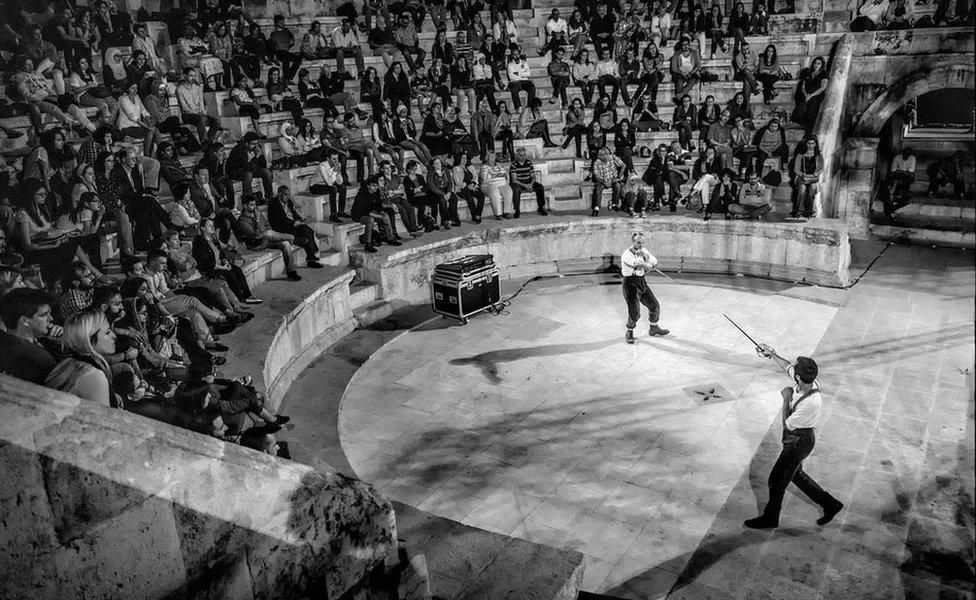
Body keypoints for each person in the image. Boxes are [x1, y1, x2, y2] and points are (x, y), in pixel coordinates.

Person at [745, 347, 844, 529]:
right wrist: (772, 354)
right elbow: (787, 366)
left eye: (795, 371)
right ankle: (831, 504)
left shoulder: (811, 402)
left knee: (776, 480)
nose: (793, 370)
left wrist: (785, 399)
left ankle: (770, 518)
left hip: (799, 441)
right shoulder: (806, 381)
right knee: (795, 475)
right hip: (798, 438)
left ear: (799, 378)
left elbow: (787, 424)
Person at [46, 308, 118, 407]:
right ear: (89, 340)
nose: (114, 336)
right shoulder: (94, 376)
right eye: (107, 332)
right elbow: (103, 420)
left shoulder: (69, 362)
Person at [0, 288, 58, 385]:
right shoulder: (41, 360)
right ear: (24, 320)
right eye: (44, 315)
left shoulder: (5, 340)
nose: (51, 319)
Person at [620, 232, 669, 345]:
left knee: (654, 305)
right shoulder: (626, 254)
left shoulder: (644, 251)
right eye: (638, 242)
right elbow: (635, 263)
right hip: (630, 284)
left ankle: (653, 327)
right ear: (633, 242)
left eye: (642, 242)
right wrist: (645, 261)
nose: (641, 245)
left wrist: (647, 257)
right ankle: (629, 332)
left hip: (641, 282)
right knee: (634, 312)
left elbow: (654, 261)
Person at [268, 186, 325, 269]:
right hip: (281, 227)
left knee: (308, 231)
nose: (287, 197)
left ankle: (311, 258)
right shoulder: (273, 203)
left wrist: (300, 220)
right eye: (285, 195)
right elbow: (282, 218)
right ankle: (311, 257)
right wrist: (295, 223)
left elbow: (293, 213)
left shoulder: (289, 202)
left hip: (292, 225)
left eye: (288, 195)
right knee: (305, 233)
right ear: (279, 194)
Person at [351, 176, 394, 253]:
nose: (375, 188)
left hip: (371, 212)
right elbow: (366, 212)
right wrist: (380, 216)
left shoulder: (376, 191)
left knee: (385, 216)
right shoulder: (362, 194)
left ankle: (390, 238)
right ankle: (368, 243)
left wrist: (381, 212)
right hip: (359, 215)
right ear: (368, 186)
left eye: (376, 186)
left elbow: (379, 205)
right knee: (370, 220)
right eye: (373, 186)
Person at [227, 132, 274, 200]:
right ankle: (248, 200)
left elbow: (263, 165)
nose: (255, 146)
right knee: (248, 175)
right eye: (253, 144)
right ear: (246, 143)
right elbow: (246, 168)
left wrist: (260, 156)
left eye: (257, 143)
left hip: (249, 168)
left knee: (266, 171)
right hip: (236, 171)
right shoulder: (239, 150)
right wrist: (256, 157)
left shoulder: (257, 148)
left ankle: (269, 198)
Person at [509, 148, 548, 218]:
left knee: (540, 187)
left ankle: (541, 207)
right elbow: (514, 180)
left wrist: (531, 184)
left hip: (528, 182)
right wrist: (525, 186)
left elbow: (533, 176)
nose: (523, 157)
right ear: (517, 156)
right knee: (516, 189)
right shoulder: (513, 165)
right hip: (518, 183)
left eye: (524, 155)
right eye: (521, 155)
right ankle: (517, 210)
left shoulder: (529, 163)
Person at [791, 136, 823, 219]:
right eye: (809, 143)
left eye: (813, 143)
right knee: (802, 188)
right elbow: (796, 169)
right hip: (801, 177)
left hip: (813, 178)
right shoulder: (800, 155)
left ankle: (809, 211)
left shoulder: (819, 155)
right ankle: (799, 211)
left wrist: (817, 173)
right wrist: (802, 175)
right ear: (806, 144)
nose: (810, 145)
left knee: (812, 188)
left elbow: (821, 168)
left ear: (816, 144)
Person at [591, 146, 625, 216]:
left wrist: (619, 176)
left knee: (618, 186)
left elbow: (623, 165)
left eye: (605, 154)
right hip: (602, 180)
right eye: (602, 155)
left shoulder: (612, 157)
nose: (604, 157)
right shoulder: (596, 163)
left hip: (613, 179)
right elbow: (597, 177)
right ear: (598, 156)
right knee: (597, 187)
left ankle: (614, 204)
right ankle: (596, 207)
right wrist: (604, 182)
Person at [480, 151, 513, 219]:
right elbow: (485, 178)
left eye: (493, 157)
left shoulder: (499, 165)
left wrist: (504, 175)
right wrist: (496, 175)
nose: (492, 159)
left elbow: (506, 174)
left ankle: (506, 212)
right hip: (489, 185)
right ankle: (498, 214)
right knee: (495, 192)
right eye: (490, 157)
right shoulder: (484, 167)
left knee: (508, 191)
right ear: (487, 158)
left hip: (501, 183)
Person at [884, 147, 916, 215]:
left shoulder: (912, 158)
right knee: (897, 178)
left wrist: (900, 171)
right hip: (897, 176)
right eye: (905, 154)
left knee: (905, 178)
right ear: (902, 153)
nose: (906, 156)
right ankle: (896, 193)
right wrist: (902, 172)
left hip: (905, 177)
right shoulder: (897, 158)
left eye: (908, 155)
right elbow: (893, 170)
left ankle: (899, 192)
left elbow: (911, 171)